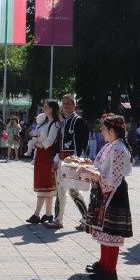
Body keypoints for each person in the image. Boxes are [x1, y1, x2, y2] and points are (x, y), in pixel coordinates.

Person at [82, 114, 133, 280]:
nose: (101, 132)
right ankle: (104, 263)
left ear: (112, 130)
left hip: (114, 193)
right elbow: (100, 167)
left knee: (112, 233)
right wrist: (89, 168)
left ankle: (110, 270)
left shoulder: (118, 149)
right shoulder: (111, 146)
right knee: (104, 231)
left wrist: (95, 176)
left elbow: (114, 179)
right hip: (107, 192)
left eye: (103, 129)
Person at [46, 94, 90, 230]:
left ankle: (87, 219)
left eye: (68, 104)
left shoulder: (78, 121)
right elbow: (58, 143)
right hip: (62, 160)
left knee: (74, 191)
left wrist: (78, 161)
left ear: (74, 105)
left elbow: (83, 143)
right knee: (60, 191)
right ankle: (58, 219)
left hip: (72, 161)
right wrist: (56, 157)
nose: (65, 106)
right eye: (63, 103)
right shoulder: (64, 122)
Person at [26, 101, 61, 225]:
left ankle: (37, 214)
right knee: (45, 185)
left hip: (47, 155)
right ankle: (48, 214)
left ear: (52, 109)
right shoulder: (45, 122)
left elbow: (49, 141)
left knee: (45, 185)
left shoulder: (56, 124)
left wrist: (37, 144)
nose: (44, 108)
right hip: (41, 155)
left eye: (46, 106)